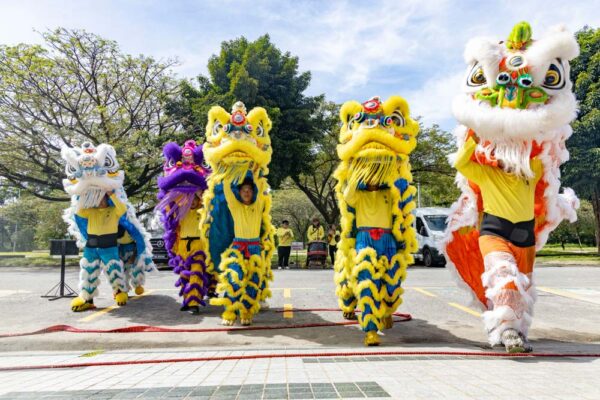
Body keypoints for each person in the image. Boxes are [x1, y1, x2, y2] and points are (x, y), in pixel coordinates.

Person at [453, 133, 542, 353]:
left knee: (522, 288)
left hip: (525, 237)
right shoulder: (487, 174)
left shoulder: (533, 170)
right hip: (494, 233)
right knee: (505, 278)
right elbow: (460, 163)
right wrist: (473, 136)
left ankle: (516, 330)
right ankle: (508, 331)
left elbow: (545, 146)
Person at [218, 177, 266, 326]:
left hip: (254, 248)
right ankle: (230, 312)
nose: (246, 192)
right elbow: (226, 189)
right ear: (239, 192)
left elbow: (261, 185)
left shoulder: (258, 206)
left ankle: (246, 313)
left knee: (253, 282)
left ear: (253, 192)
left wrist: (256, 169)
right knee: (234, 279)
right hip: (238, 248)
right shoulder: (235, 206)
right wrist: (226, 173)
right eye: (244, 190)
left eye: (249, 190)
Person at [71, 191, 129, 311]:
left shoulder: (114, 210)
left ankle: (119, 293)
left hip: (109, 245)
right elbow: (78, 211)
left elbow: (123, 208)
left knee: (114, 270)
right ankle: (87, 300)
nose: (100, 201)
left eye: (103, 198)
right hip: (91, 246)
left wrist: (111, 194)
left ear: (107, 198)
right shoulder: (90, 210)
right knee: (88, 272)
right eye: (98, 198)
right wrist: (84, 195)